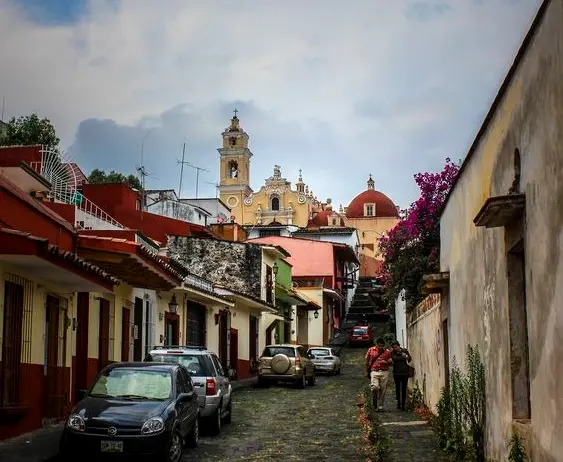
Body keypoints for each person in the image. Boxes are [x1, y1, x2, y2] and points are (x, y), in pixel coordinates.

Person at [364, 338, 392, 412]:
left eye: (382, 346)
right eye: (379, 345)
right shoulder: (371, 350)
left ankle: (380, 406)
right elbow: (366, 361)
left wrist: (386, 362)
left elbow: (391, 362)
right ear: (376, 344)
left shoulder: (387, 352)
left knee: (383, 390)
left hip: (384, 372)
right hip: (374, 371)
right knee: (375, 387)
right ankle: (374, 403)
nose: (380, 347)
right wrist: (366, 371)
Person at [391, 341, 412, 410]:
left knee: (403, 388)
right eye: (394, 347)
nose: (395, 348)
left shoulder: (405, 351)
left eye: (396, 347)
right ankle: (398, 403)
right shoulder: (392, 353)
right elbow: (393, 359)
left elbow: (409, 359)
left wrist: (405, 356)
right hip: (396, 373)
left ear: (399, 346)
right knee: (397, 388)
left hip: (404, 372)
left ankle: (403, 404)